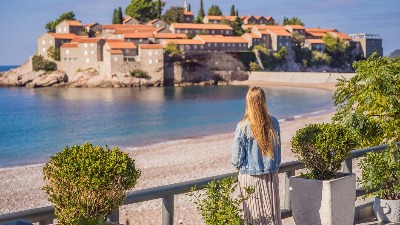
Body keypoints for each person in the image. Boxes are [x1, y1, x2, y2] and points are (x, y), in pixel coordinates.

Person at [232, 86, 282, 225]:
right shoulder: (274, 123)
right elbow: (278, 151)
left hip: (249, 177)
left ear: (248, 102)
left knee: (253, 218)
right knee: (272, 217)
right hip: (270, 175)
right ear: (263, 101)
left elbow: (237, 157)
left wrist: (238, 166)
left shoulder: (243, 126)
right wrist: (274, 165)